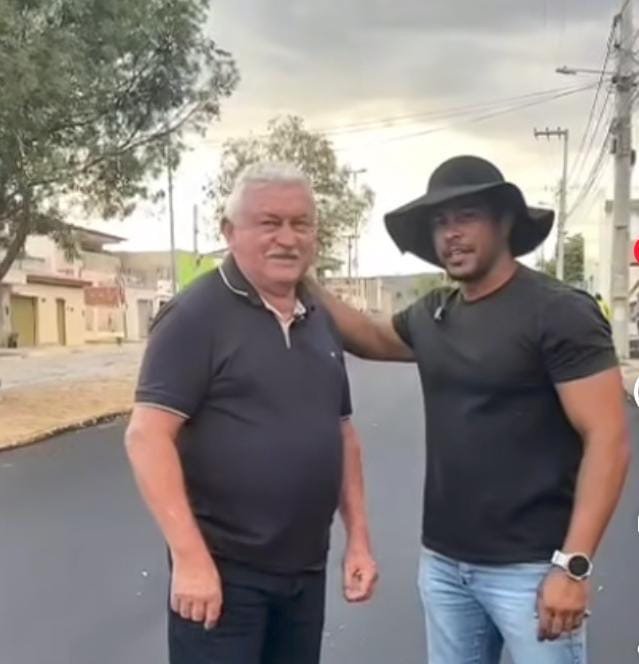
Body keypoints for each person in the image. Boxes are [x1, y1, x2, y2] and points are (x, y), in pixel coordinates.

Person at [310, 155, 631, 664]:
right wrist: (300, 276)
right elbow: (369, 336)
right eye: (440, 222)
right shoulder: (436, 312)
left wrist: (572, 566)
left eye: (466, 217)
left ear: (504, 222)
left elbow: (608, 439)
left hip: (532, 568)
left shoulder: (558, 312)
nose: (451, 234)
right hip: (445, 565)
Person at [124, 162, 377, 664]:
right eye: (269, 223)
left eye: (301, 223)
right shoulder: (195, 316)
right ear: (229, 231)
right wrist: (190, 560)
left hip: (305, 572)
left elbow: (342, 435)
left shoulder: (319, 320)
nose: (287, 238)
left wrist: (359, 541)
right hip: (223, 576)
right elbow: (146, 437)